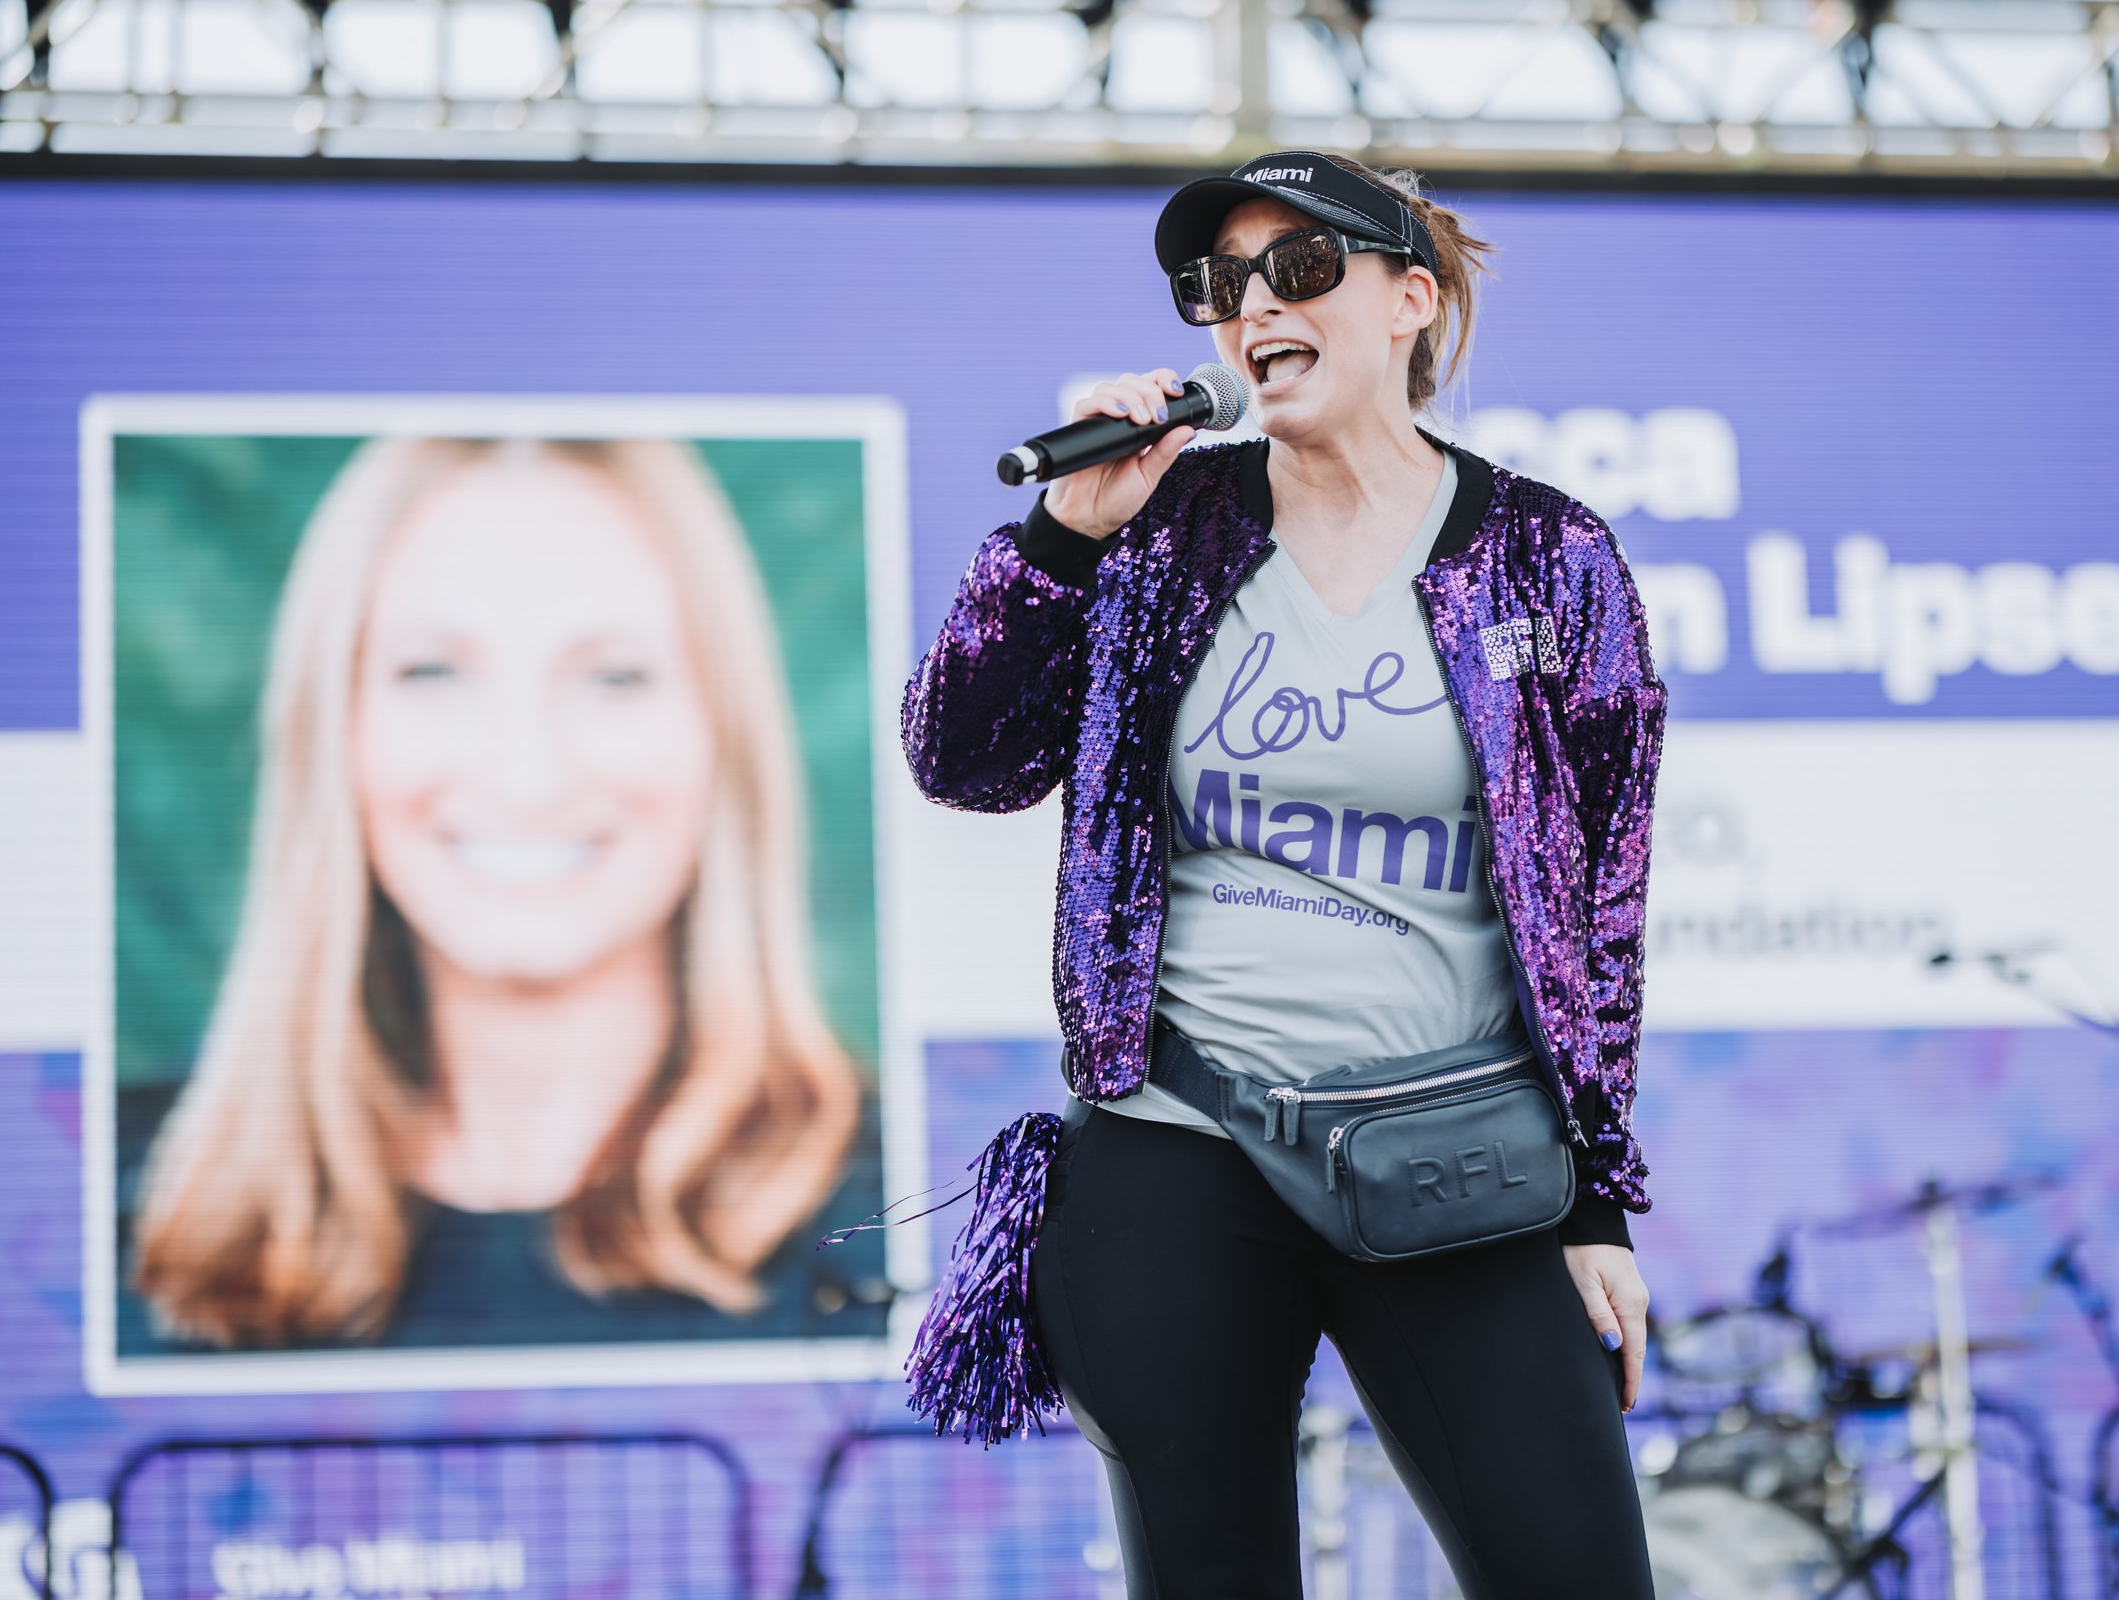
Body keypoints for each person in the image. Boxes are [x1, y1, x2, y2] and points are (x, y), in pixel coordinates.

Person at [902, 153, 1668, 1596]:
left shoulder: (1546, 556)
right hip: (1180, 1151)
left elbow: (1601, 904)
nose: (1252, 306)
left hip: (1455, 1164)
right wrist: (1062, 548)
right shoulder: (1162, 530)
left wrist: (1594, 1201)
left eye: (1299, 269)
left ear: (1409, 303)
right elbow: (965, 760)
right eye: (1219, 284)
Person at [130, 436, 869, 1351]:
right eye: (433, 671)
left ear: (720, 733)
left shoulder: (907, 1211)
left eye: (614, 675)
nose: (527, 775)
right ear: (336, 733)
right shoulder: (134, 1237)